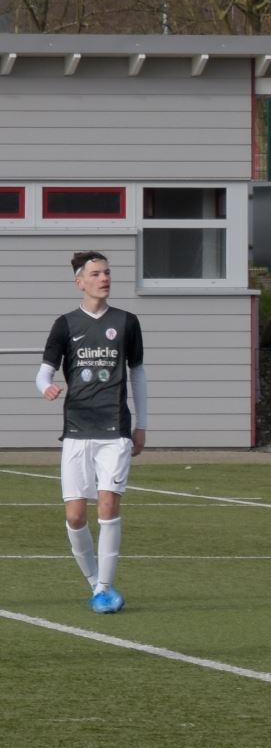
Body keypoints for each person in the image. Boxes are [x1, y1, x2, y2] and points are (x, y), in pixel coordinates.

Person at [37, 250, 147, 615]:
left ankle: (104, 589)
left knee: (108, 504)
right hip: (76, 432)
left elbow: (138, 374)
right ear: (79, 281)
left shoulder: (127, 322)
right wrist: (46, 388)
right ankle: (95, 582)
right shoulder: (65, 325)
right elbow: (44, 371)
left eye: (107, 273)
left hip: (114, 429)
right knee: (74, 517)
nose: (104, 278)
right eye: (96, 273)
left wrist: (141, 424)